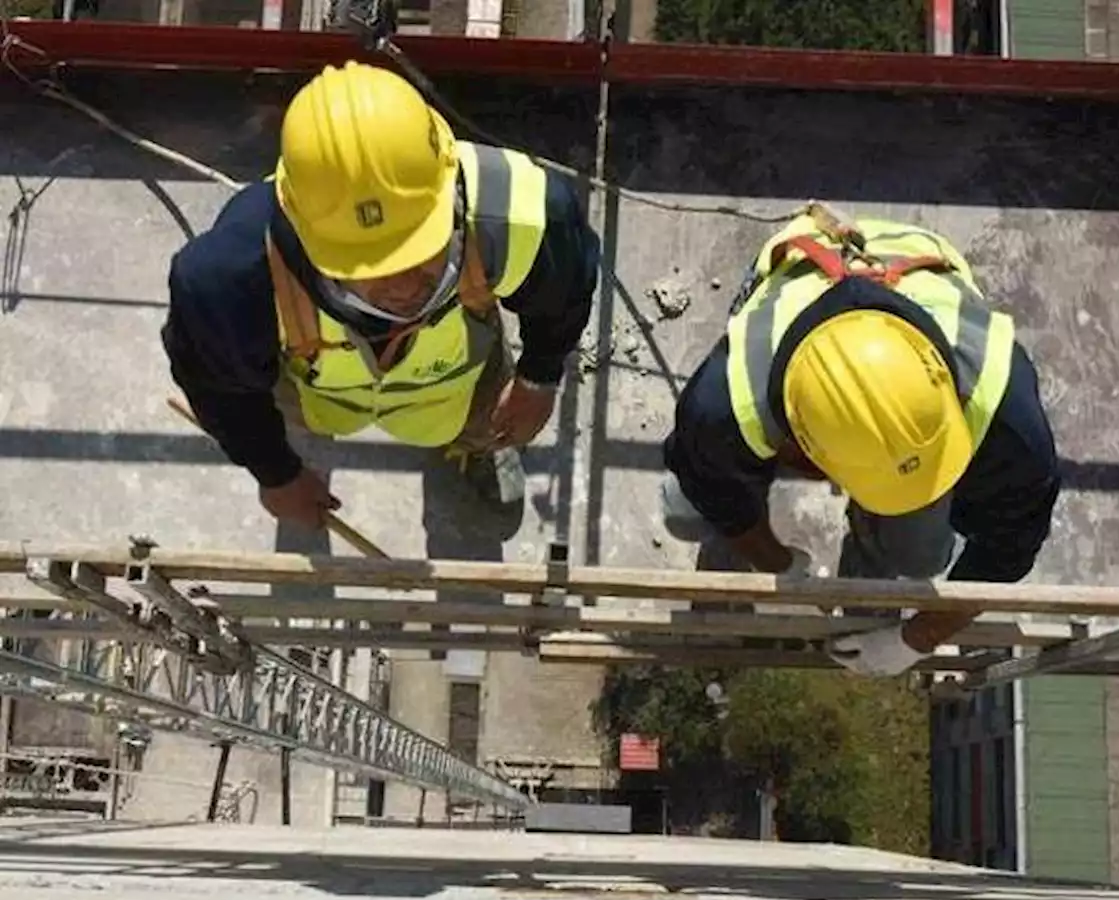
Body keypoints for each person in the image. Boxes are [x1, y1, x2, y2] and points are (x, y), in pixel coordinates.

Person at [161, 61, 600, 528]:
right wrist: (276, 472)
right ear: (301, 229)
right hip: (318, 392)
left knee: (486, 420)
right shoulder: (229, 280)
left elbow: (561, 294)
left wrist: (538, 379)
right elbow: (222, 391)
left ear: (448, 185)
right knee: (266, 406)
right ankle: (308, 441)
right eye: (369, 266)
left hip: (456, 384)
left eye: (422, 246)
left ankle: (475, 449)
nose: (407, 286)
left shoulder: (528, 215)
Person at [660, 204, 1061, 677]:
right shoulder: (724, 406)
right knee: (686, 509)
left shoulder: (1003, 407)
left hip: (914, 258)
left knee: (919, 557)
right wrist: (775, 561)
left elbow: (1010, 548)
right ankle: (751, 530)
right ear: (802, 448)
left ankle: (870, 548)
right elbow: (713, 484)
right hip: (802, 283)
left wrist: (917, 640)